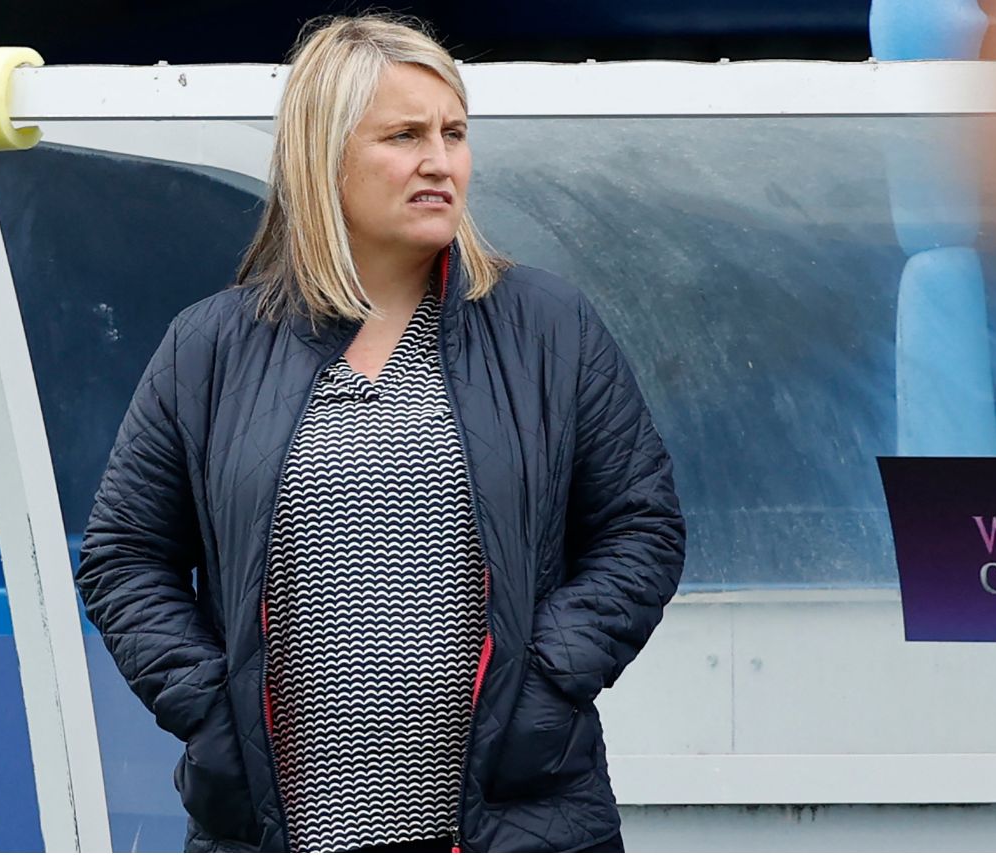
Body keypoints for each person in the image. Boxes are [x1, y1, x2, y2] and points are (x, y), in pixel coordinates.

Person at [76, 14, 685, 854]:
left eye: (454, 133)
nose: (440, 160)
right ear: (322, 156)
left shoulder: (551, 327)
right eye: (405, 135)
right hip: (280, 830)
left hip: (514, 822)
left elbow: (640, 529)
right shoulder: (209, 346)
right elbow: (124, 554)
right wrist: (213, 709)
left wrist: (542, 684)